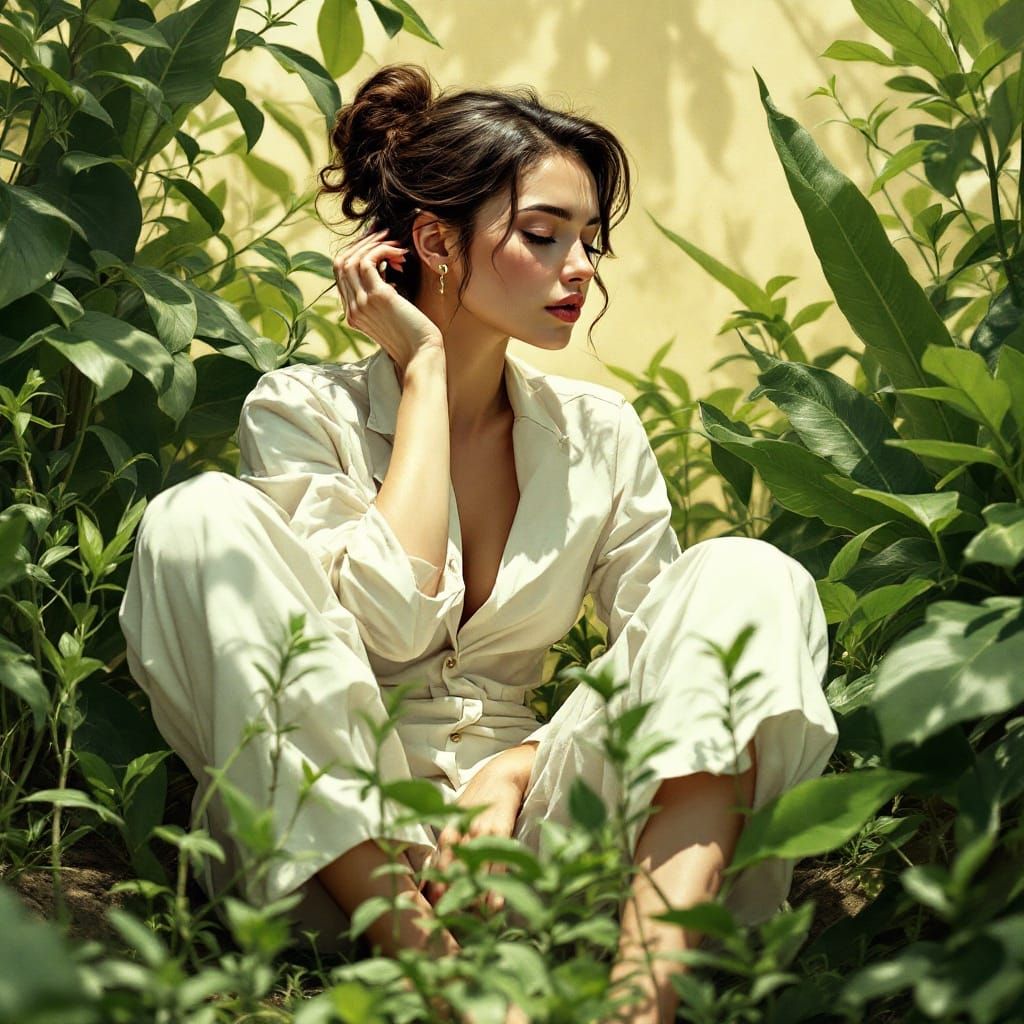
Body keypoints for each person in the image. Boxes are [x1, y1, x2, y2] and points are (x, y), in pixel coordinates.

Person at [120, 63, 838, 1024]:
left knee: (749, 574)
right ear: (433, 242)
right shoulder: (300, 413)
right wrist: (420, 372)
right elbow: (387, 619)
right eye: (544, 237)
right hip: (336, 858)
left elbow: (677, 672)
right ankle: (443, 980)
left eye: (589, 240)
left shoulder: (599, 435)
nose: (580, 267)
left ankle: (642, 998)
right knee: (193, 517)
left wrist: (522, 763)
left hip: (531, 850)